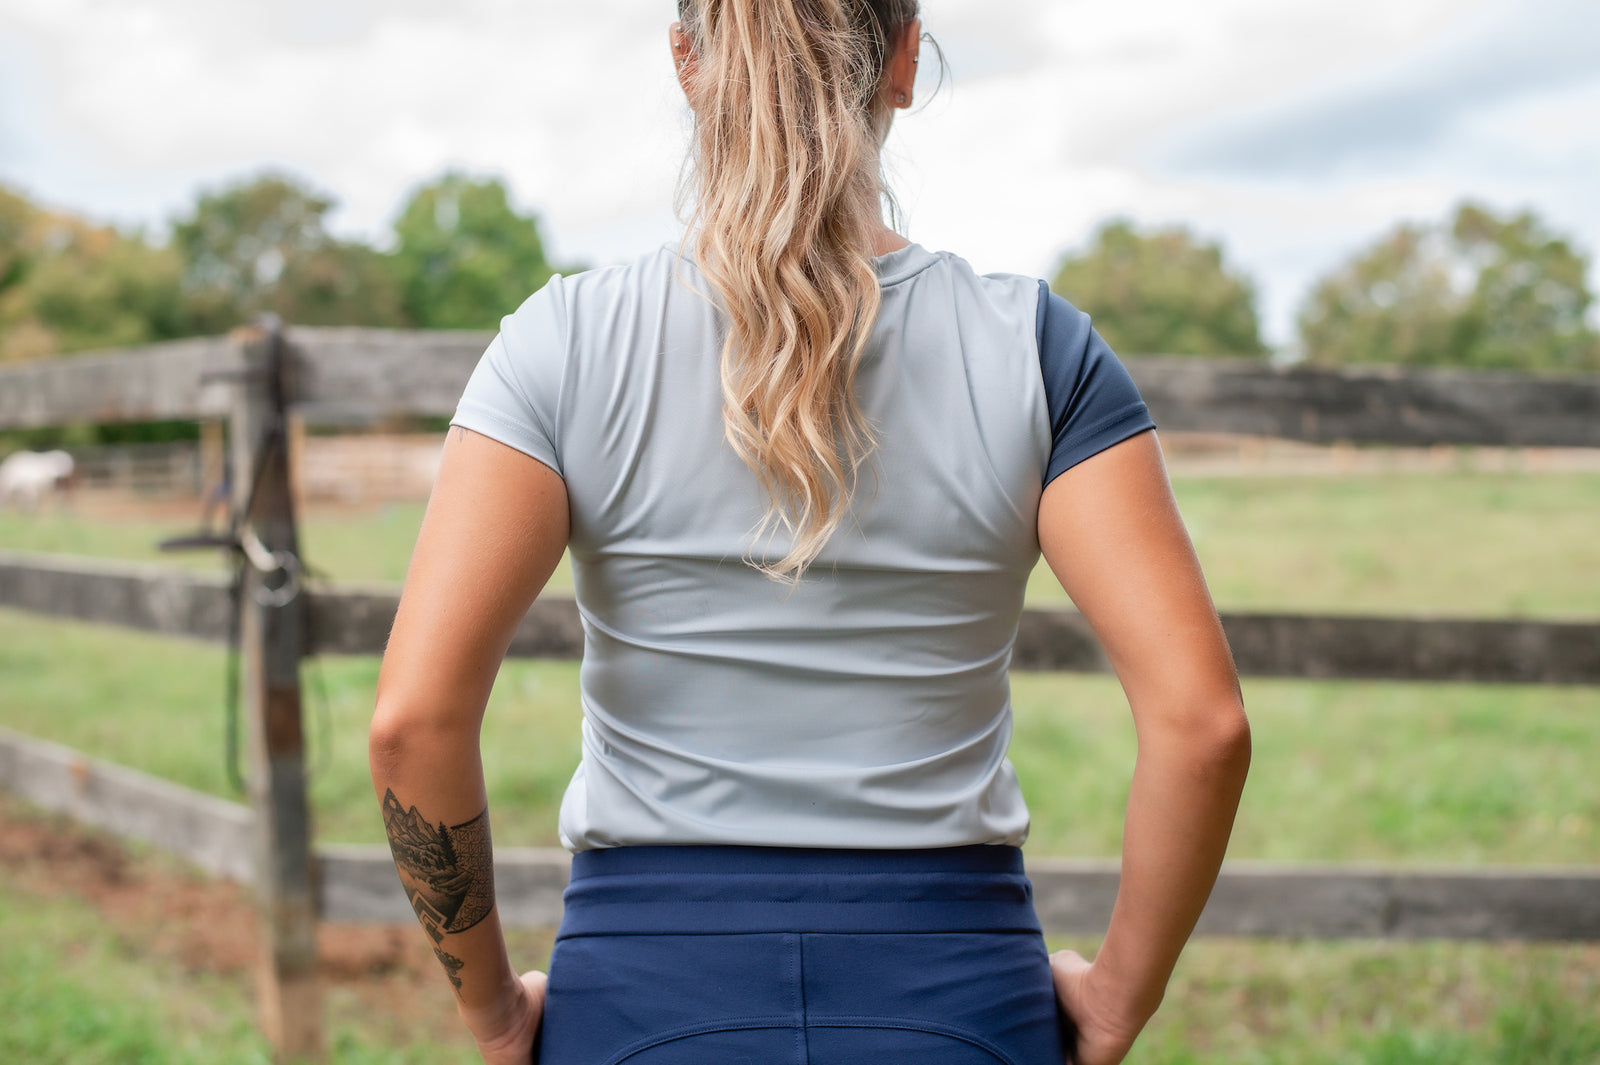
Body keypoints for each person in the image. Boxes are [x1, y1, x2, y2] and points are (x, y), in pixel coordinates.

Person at [367, 2, 1251, 1063]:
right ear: (904, 61)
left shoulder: (560, 346)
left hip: (645, 1006)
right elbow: (1202, 725)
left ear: (688, 63)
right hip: (957, 1003)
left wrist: (494, 1015)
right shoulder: (1038, 352)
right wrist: (1113, 1003)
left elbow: (413, 723)